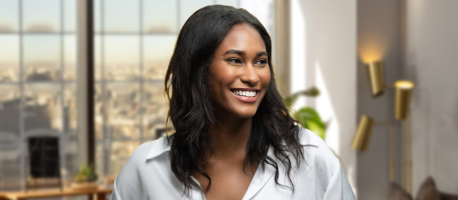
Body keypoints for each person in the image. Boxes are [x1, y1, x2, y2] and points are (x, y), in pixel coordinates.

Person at [110, 5, 355, 200]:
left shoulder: (311, 159)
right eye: (235, 60)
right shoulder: (146, 168)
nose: (252, 76)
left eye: (260, 61)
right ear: (199, 70)